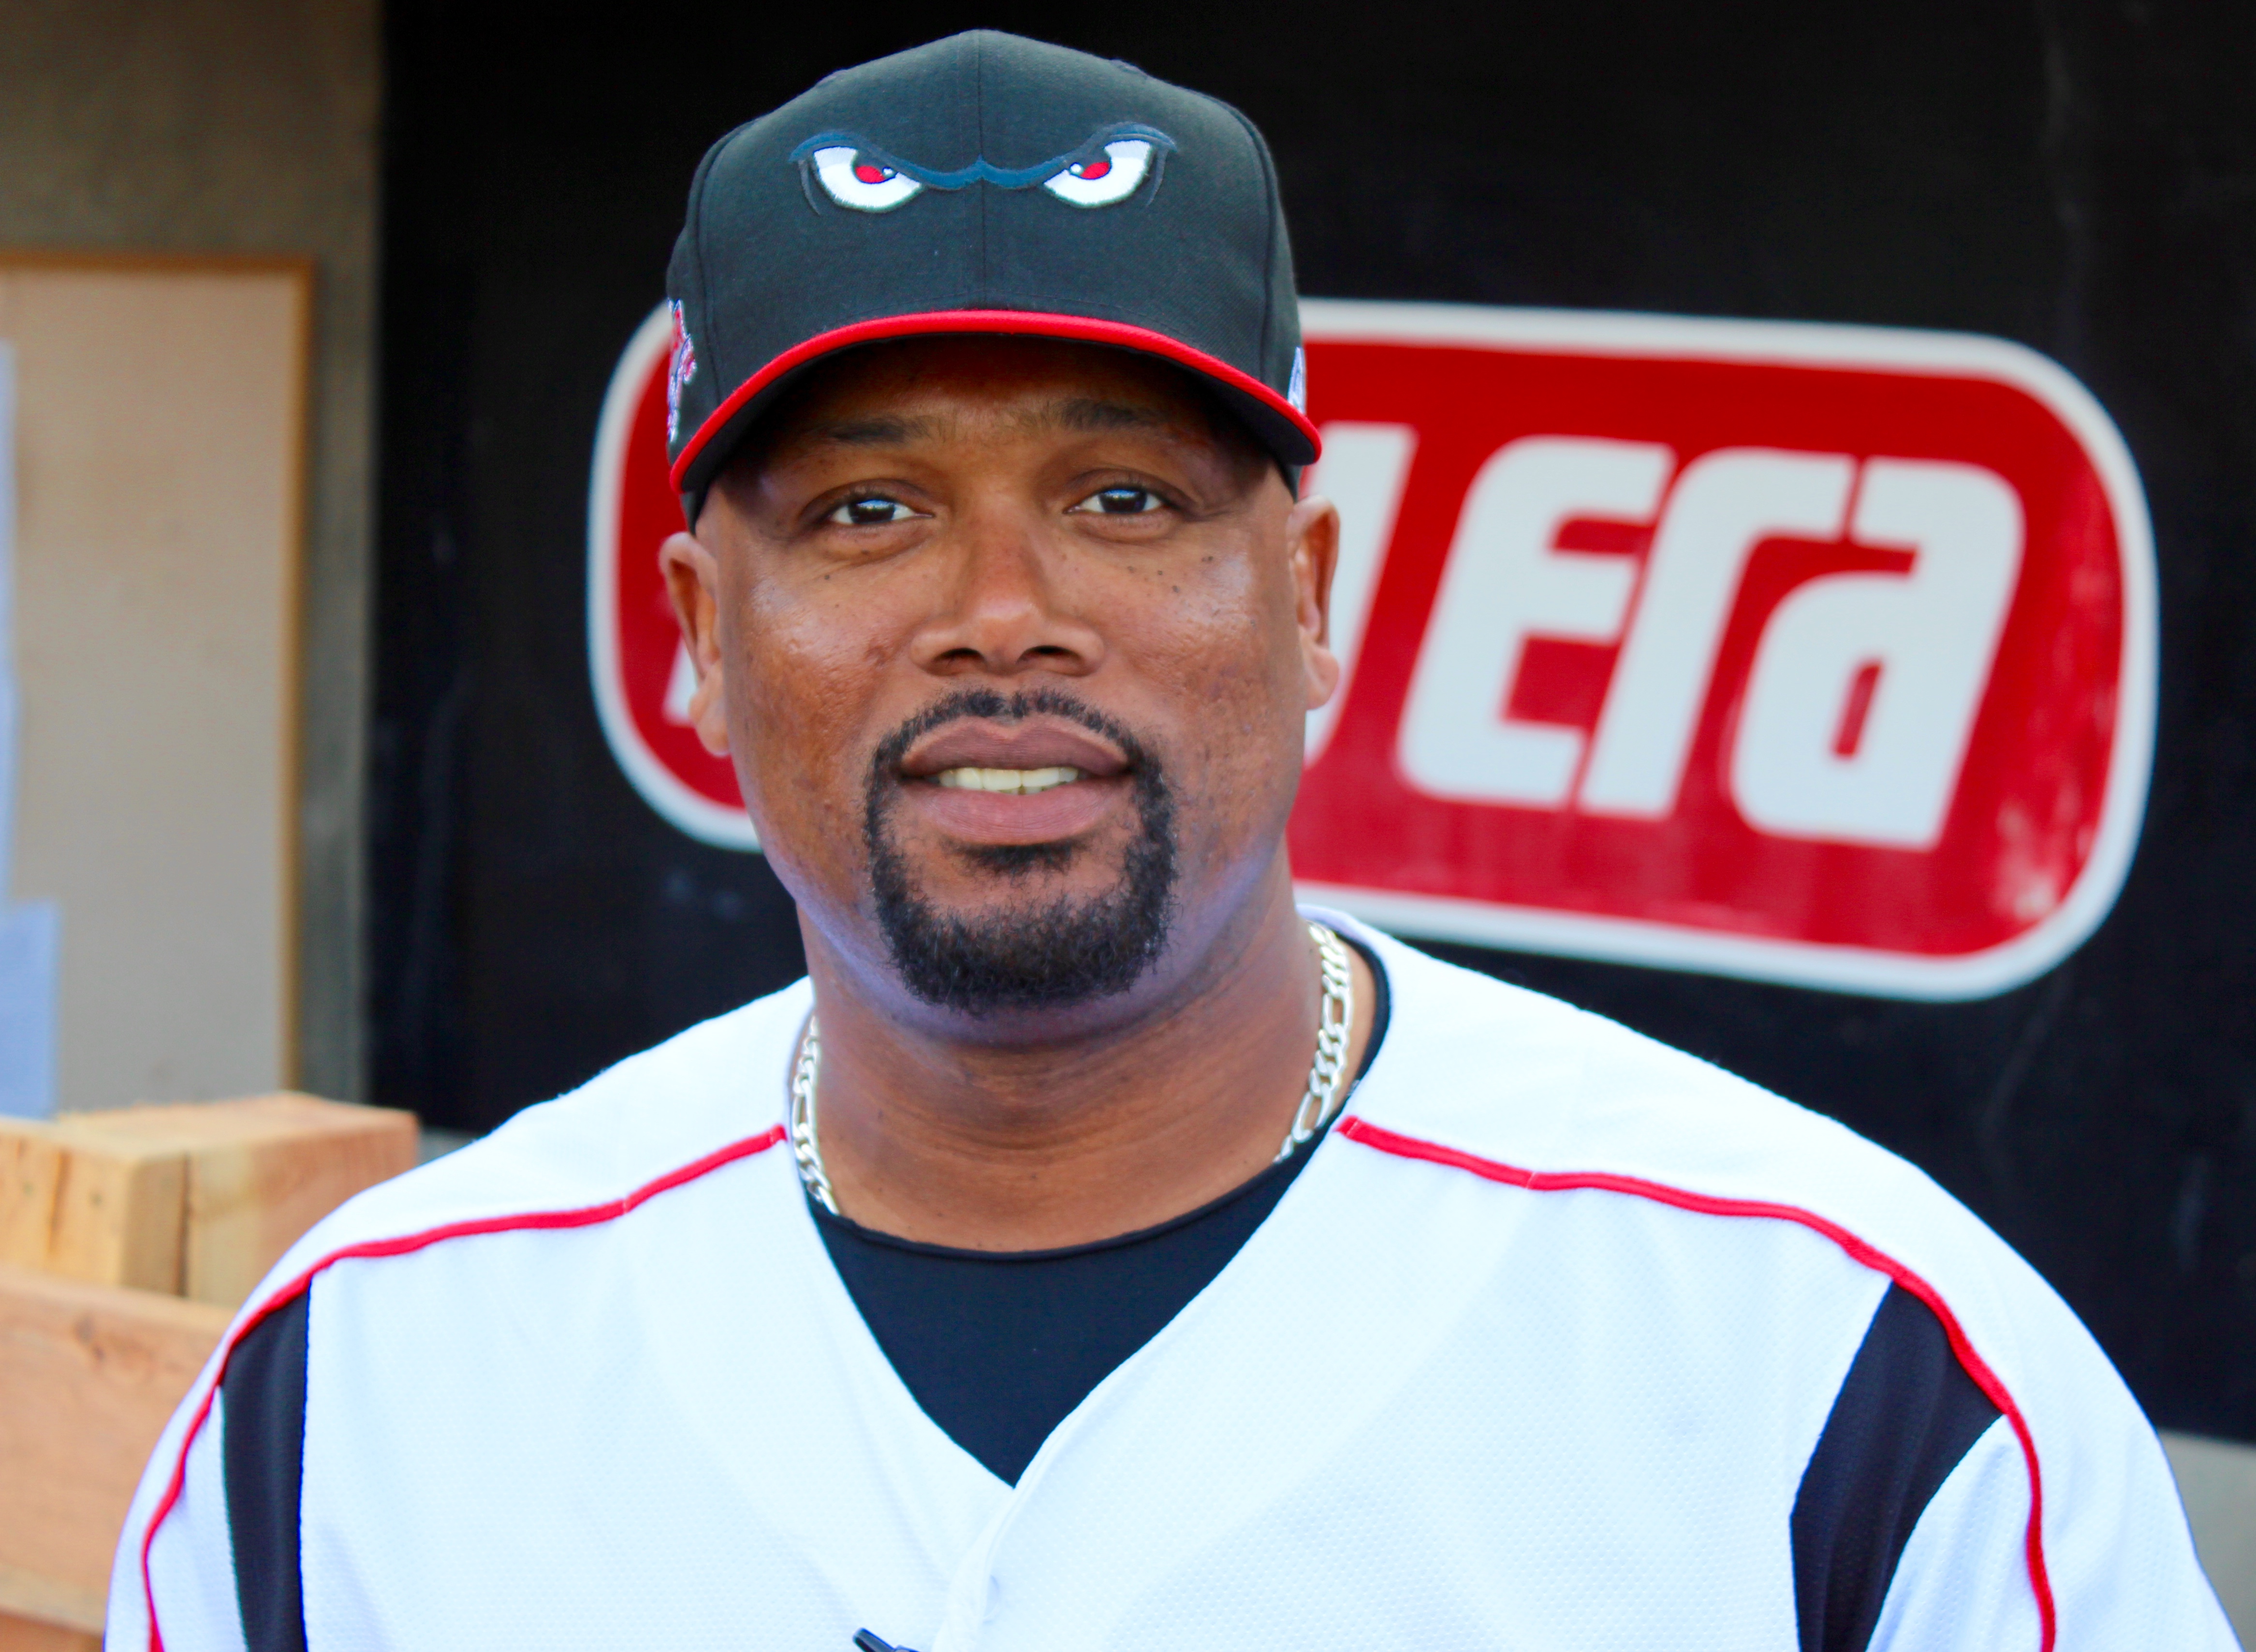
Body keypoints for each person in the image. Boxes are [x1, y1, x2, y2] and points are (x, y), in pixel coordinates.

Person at [112, 29, 2232, 1652]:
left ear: (1310, 597)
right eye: (867, 507)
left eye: (1126, 497)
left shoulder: (1848, 1370)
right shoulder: (366, 1377)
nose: (1003, 604)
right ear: (695, 634)